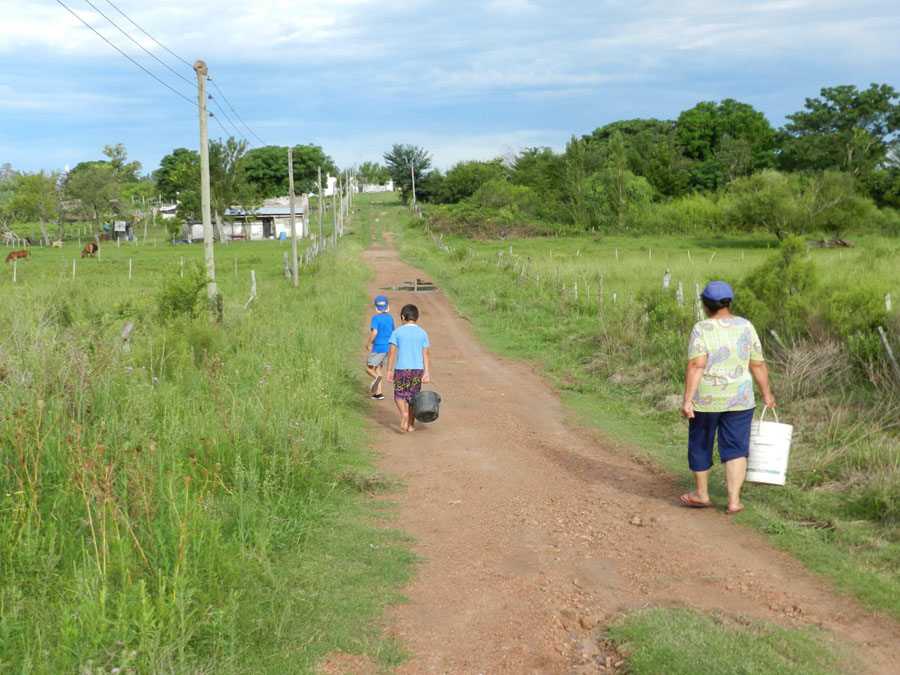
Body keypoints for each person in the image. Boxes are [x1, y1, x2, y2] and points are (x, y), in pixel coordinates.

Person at [681, 281, 775, 515]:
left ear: (705, 305)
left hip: (707, 400)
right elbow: (757, 363)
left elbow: (696, 365)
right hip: (740, 398)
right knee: (735, 448)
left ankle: (701, 494)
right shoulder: (745, 326)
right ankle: (733, 500)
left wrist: (687, 400)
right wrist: (767, 394)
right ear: (729, 302)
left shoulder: (701, 329)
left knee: (701, 443)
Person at [386, 304, 431, 433]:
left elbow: (392, 353)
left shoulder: (397, 332)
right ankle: (411, 425)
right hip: (417, 369)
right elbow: (426, 353)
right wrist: (426, 372)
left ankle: (403, 413)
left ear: (402, 317)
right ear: (416, 317)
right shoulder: (422, 333)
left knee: (399, 395)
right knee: (414, 397)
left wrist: (389, 370)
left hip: (401, 369)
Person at [365, 295, 394, 400]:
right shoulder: (390, 318)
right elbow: (392, 332)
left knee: (368, 368)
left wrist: (369, 343)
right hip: (388, 347)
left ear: (375, 306)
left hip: (378, 347)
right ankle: (378, 393)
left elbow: (375, 332)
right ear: (387, 306)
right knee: (378, 369)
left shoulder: (376, 318)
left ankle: (376, 378)